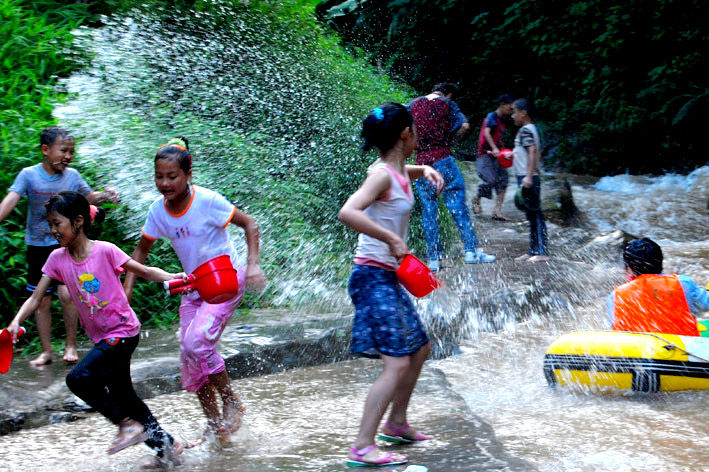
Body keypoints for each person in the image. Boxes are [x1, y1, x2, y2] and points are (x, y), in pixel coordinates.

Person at [4, 191, 182, 465]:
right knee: (126, 397)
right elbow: (36, 297)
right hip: (104, 338)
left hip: (123, 332)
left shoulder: (105, 251)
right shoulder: (57, 259)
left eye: (57, 224)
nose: (53, 230)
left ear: (77, 222)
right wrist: (16, 322)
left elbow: (144, 270)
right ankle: (167, 448)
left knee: (77, 379)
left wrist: (172, 277)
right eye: (50, 224)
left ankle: (126, 425)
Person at [123, 137, 267, 443]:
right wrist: (127, 293)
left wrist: (253, 264)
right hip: (194, 286)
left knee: (196, 344)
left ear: (188, 175)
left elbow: (250, 224)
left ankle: (231, 402)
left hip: (226, 282)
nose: (165, 183)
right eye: (159, 176)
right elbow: (139, 253)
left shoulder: (208, 201)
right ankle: (217, 426)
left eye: (172, 176)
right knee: (189, 356)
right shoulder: (157, 212)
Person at [338, 103, 444, 467]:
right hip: (371, 277)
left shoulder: (397, 171)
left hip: (387, 276)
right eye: (414, 130)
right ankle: (362, 447)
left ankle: (396, 423)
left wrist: (425, 169)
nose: (417, 135)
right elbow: (348, 211)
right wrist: (392, 239)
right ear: (405, 134)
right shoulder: (381, 175)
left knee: (420, 349)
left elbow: (402, 173)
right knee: (396, 363)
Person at [0, 127, 119, 365]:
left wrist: (105, 195)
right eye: (63, 150)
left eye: (72, 152)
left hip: (66, 245)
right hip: (38, 247)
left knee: (68, 294)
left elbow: (88, 197)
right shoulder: (29, 175)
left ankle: (71, 344)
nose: (68, 156)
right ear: (45, 150)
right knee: (41, 299)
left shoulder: (72, 176)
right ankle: (46, 350)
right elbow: (10, 200)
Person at [408, 83, 495, 271]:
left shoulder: (413, 104)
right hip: (443, 159)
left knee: (428, 209)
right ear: (449, 94)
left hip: (421, 163)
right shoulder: (447, 104)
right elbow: (464, 125)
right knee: (456, 205)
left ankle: (434, 259)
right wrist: (450, 141)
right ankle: (471, 251)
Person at [607, 237, 709, 336]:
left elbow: (615, 333)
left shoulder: (615, 296)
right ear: (660, 262)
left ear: (628, 268)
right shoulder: (683, 283)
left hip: (636, 351)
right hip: (683, 349)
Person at [511, 98, 549, 263]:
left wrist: (528, 176)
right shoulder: (531, 129)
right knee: (531, 215)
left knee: (536, 214)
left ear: (523, 113)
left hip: (527, 177)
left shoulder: (525, 130)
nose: (512, 115)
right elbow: (532, 153)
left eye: (514, 111)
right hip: (529, 175)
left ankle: (542, 251)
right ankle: (532, 250)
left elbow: (532, 151)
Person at [472, 94, 515, 220]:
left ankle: (497, 211)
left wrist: (502, 150)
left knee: (504, 180)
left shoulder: (503, 120)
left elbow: (498, 138)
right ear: (502, 105)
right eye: (510, 108)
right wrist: (494, 148)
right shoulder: (492, 116)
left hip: (497, 155)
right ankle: (476, 200)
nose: (511, 111)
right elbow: (486, 133)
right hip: (485, 154)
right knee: (490, 180)